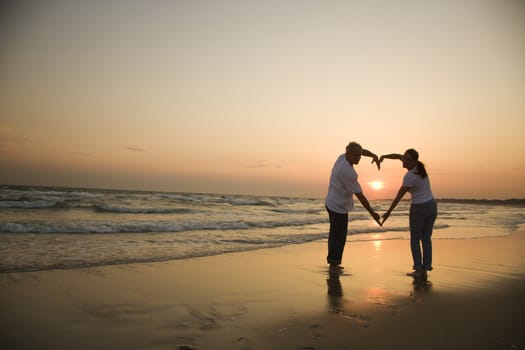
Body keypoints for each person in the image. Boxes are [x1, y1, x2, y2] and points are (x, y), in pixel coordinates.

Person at [380, 149, 437, 279]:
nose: (404, 160)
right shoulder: (419, 167)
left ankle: (418, 269)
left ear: (414, 161)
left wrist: (388, 212)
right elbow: (397, 155)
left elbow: (398, 196)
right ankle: (425, 269)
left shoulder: (410, 176)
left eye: (407, 159)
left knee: (415, 239)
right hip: (432, 205)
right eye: (404, 158)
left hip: (420, 208)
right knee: (426, 239)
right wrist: (384, 156)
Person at [325, 141, 381, 272]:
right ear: (348, 154)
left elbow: (362, 151)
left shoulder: (341, 157)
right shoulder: (348, 172)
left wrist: (372, 155)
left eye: (359, 155)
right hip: (338, 206)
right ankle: (334, 265)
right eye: (355, 155)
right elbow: (360, 196)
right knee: (339, 236)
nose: (358, 158)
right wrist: (372, 213)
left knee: (334, 233)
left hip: (331, 201)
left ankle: (333, 262)